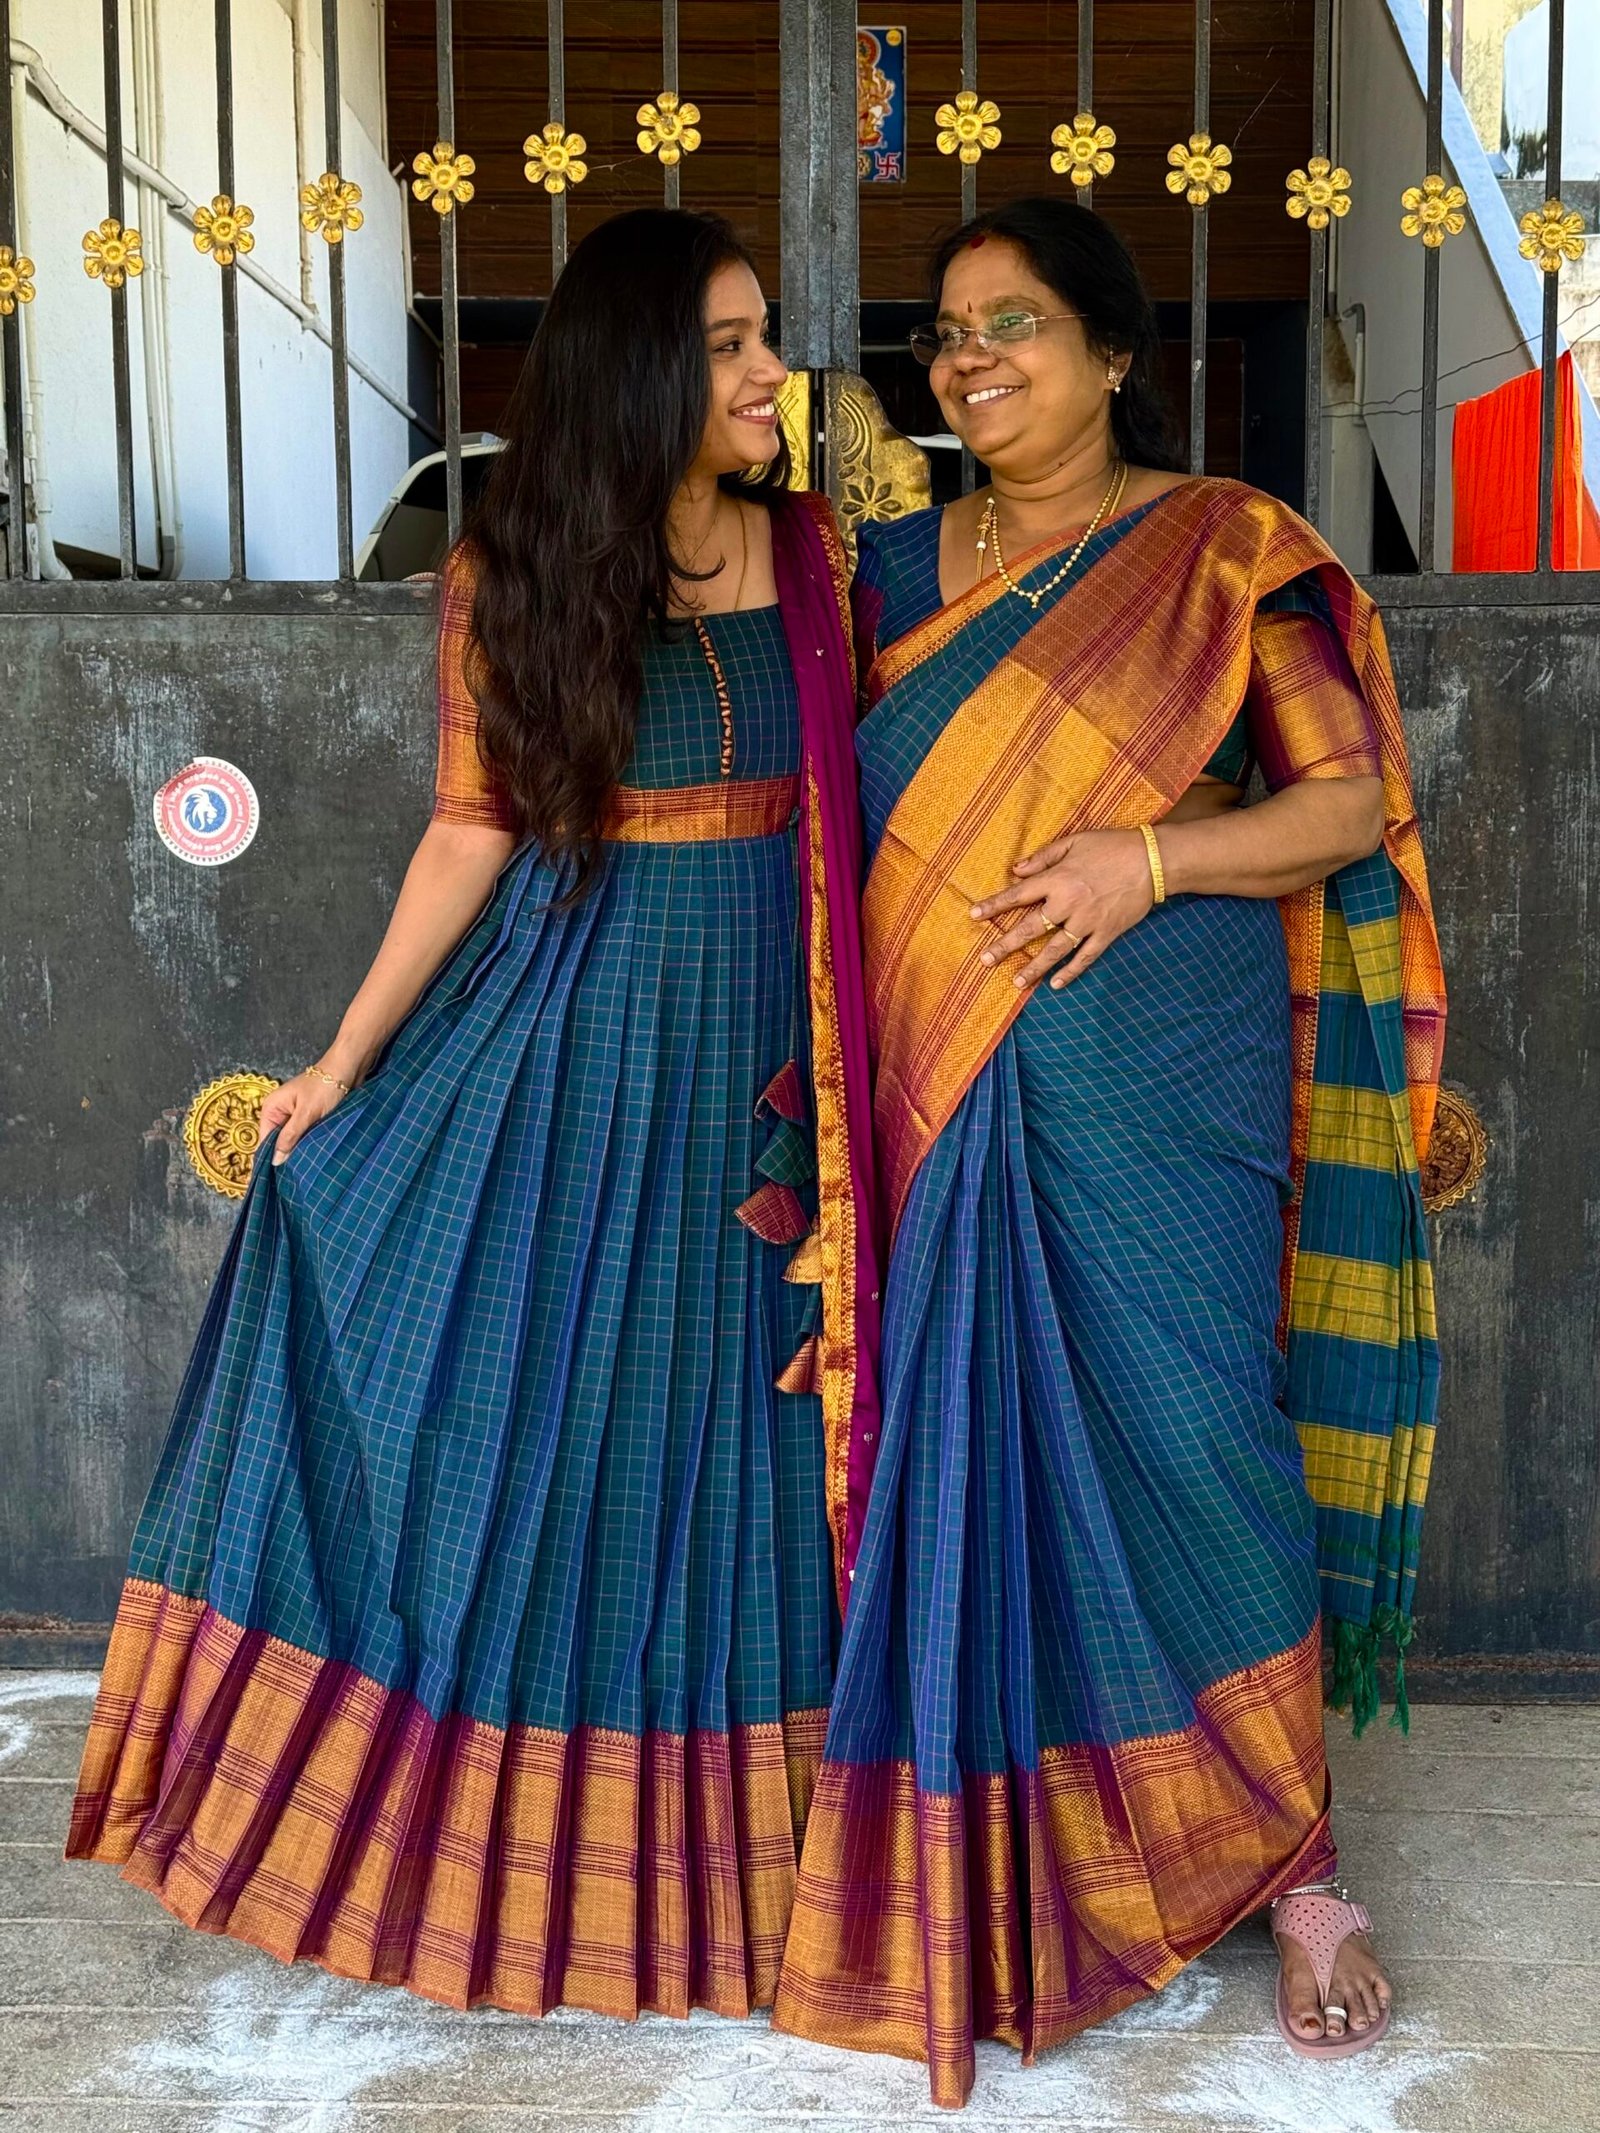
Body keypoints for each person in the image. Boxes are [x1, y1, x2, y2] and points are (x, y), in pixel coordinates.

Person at [66, 208, 881, 2029]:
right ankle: (529, 1857)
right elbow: (472, 827)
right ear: (646, 369)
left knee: (764, 1419)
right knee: (569, 1417)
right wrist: (348, 1061)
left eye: (766, 340)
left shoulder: (823, 557)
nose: (770, 377)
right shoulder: (509, 569)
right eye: (736, 345)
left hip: (778, 1041)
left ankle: (791, 1870)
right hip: (583, 1038)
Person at [773, 198, 1445, 2105]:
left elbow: (1344, 800)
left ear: (1115, 352)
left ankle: (1292, 1857)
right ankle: (1022, 1834)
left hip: (1165, 1056)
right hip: (938, 1068)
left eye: (1016, 326)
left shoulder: (1226, 552)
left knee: (1198, 1429)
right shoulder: (883, 565)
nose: (969, 360)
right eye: (945, 332)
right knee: (955, 1427)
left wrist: (1142, 856)